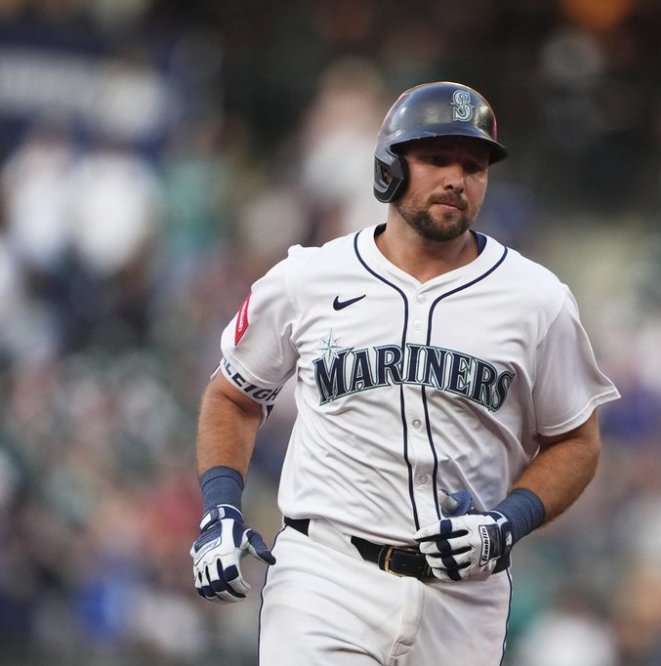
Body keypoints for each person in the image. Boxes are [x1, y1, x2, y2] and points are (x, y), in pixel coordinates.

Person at [189, 80, 620, 665]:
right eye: (436, 158)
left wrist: (506, 521)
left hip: (465, 598)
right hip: (327, 575)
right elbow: (234, 396)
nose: (457, 179)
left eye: (474, 165)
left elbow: (577, 440)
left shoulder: (536, 299)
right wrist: (221, 506)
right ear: (390, 166)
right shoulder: (309, 278)